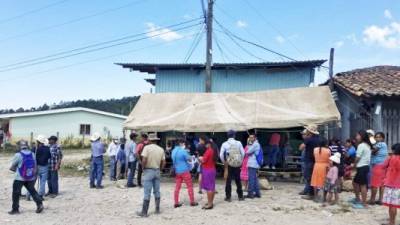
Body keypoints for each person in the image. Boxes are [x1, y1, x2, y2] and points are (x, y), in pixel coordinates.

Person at [8, 140, 44, 215]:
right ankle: (39, 204)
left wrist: (17, 170)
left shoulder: (18, 155)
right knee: (32, 191)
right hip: (30, 177)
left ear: (19, 146)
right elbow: (35, 166)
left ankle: (15, 209)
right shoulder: (32, 154)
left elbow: (12, 167)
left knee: (16, 193)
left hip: (19, 178)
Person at [137, 133, 166, 217]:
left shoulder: (146, 148)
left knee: (147, 192)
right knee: (157, 191)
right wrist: (160, 169)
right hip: (157, 171)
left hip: (148, 171)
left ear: (149, 140)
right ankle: (157, 209)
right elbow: (164, 162)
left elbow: (144, 160)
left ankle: (144, 212)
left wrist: (143, 168)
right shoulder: (161, 149)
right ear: (156, 140)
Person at [171, 139, 198, 208]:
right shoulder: (183, 151)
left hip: (177, 171)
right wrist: (191, 157)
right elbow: (189, 159)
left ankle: (176, 202)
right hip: (185, 171)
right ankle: (192, 201)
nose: (184, 145)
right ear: (180, 143)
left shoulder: (173, 151)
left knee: (177, 187)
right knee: (189, 186)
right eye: (183, 143)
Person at [219, 130, 245, 202]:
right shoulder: (238, 143)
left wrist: (224, 162)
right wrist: (240, 161)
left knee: (228, 180)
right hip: (237, 163)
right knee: (238, 180)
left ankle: (228, 197)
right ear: (234, 135)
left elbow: (221, 155)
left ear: (227, 136)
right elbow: (243, 153)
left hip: (229, 163)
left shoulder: (224, 144)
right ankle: (240, 196)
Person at [351, 130, 372, 209]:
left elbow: (358, 157)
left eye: (357, 135)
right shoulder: (367, 145)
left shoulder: (361, 145)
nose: (356, 137)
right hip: (365, 166)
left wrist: (354, 165)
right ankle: (357, 199)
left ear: (362, 136)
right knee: (355, 183)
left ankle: (364, 203)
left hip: (362, 167)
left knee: (362, 185)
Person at [27, 135, 51, 201]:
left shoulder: (35, 149)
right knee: (43, 182)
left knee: (32, 182)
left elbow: (30, 156)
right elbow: (49, 157)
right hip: (44, 167)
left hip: (35, 166)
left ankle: (28, 195)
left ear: (38, 142)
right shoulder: (47, 148)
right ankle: (40, 195)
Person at [381, 143, 400, 225]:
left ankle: (391, 222)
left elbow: (383, 166)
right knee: (394, 205)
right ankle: (391, 221)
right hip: (398, 185)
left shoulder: (392, 158)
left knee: (391, 205)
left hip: (390, 184)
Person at [300, 125, 320, 197]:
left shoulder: (308, 139)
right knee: (314, 177)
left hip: (309, 161)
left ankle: (310, 193)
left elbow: (301, 147)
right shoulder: (319, 139)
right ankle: (313, 193)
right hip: (317, 161)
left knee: (308, 177)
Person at [369, 132, 389, 205]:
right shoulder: (384, 144)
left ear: (383, 138)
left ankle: (372, 200)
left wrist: (372, 151)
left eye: (379, 137)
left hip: (378, 166)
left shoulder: (380, 144)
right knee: (381, 184)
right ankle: (380, 200)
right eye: (376, 137)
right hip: (383, 166)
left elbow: (373, 151)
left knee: (374, 184)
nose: (377, 138)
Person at [199, 137, 218, 210]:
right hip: (212, 169)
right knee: (212, 187)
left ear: (208, 144)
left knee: (209, 188)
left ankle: (210, 204)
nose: (204, 145)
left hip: (207, 170)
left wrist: (199, 159)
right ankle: (211, 202)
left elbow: (203, 160)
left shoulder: (209, 151)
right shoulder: (213, 150)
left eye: (205, 144)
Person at [245, 134, 261, 199]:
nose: (250, 138)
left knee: (251, 179)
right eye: (250, 137)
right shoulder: (256, 144)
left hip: (252, 164)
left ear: (255, 138)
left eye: (252, 137)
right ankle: (257, 193)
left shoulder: (255, 144)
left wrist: (249, 152)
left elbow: (247, 151)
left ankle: (250, 194)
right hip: (254, 164)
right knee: (255, 179)